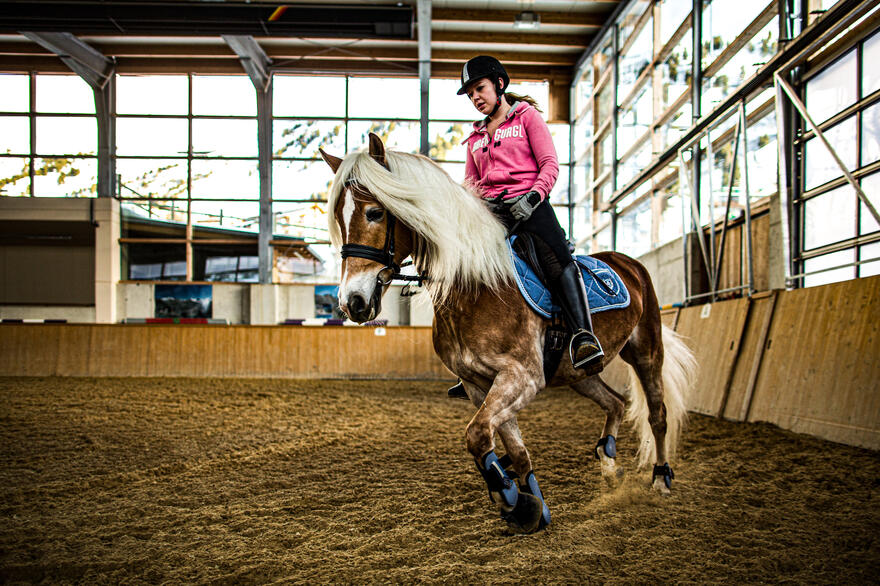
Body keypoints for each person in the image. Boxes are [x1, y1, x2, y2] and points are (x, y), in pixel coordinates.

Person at [447, 56, 604, 400]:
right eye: (470, 93)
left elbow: (549, 163)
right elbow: (471, 183)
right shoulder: (473, 139)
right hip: (492, 213)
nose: (475, 97)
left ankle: (583, 335)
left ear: (499, 84)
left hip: (530, 205)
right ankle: (472, 360)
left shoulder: (527, 117)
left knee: (558, 259)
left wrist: (534, 196)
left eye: (479, 88)